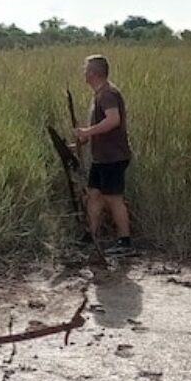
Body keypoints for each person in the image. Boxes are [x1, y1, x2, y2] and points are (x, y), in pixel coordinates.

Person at [74, 54, 134, 256]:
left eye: (86, 69)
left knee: (113, 198)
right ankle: (91, 235)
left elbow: (113, 120)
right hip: (102, 157)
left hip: (113, 156)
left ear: (93, 73)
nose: (84, 73)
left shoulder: (107, 94)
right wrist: (82, 140)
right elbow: (102, 125)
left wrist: (87, 132)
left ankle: (125, 241)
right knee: (94, 195)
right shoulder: (100, 95)